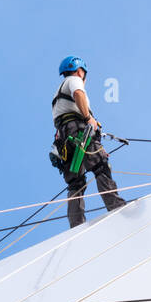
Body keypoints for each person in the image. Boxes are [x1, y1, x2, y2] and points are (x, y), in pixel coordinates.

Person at [51, 56, 127, 229]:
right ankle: (116, 207)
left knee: (75, 182)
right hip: (78, 130)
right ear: (79, 71)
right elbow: (78, 94)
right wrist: (88, 118)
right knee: (100, 166)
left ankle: (76, 225)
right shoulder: (74, 81)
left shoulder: (57, 97)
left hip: (65, 139)